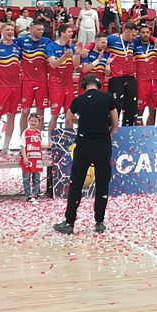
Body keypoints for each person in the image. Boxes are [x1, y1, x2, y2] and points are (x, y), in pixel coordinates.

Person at [54, 74, 118, 235]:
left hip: (84, 144)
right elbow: (116, 123)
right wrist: (107, 134)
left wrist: (80, 122)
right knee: (102, 183)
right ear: (98, 85)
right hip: (102, 144)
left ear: (84, 86)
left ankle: (69, 222)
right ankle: (99, 221)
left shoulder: (78, 100)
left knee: (76, 184)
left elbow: (69, 119)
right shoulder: (108, 98)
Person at [0, 22, 22, 152]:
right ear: (1, 31)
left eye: (12, 30)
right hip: (1, 87)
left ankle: (6, 147)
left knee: (11, 116)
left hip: (16, 87)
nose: (10, 32)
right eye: (7, 29)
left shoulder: (18, 46)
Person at [101, 21, 138, 127]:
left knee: (131, 106)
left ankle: (128, 129)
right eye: (133, 35)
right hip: (116, 78)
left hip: (130, 77)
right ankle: (112, 129)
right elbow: (98, 42)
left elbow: (147, 39)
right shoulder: (112, 39)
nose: (135, 37)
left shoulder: (134, 41)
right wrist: (87, 48)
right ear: (126, 31)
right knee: (116, 105)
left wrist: (154, 39)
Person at [17, 21, 52, 132]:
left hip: (42, 81)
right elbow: (7, 43)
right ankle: (23, 137)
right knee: (25, 111)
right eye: (39, 29)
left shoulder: (47, 41)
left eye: (42, 29)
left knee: (40, 111)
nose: (41, 31)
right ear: (31, 30)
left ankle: (38, 137)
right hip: (27, 81)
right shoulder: (21, 41)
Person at [46, 24, 81, 134]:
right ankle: (51, 140)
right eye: (69, 31)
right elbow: (53, 64)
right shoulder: (51, 46)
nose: (72, 33)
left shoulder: (71, 47)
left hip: (69, 85)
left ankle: (68, 140)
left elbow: (75, 65)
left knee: (69, 115)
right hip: (55, 85)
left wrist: (77, 53)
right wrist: (65, 56)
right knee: (55, 115)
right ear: (62, 33)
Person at [133, 23, 157, 126]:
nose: (145, 34)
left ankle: (150, 132)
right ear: (139, 34)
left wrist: (154, 39)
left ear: (150, 33)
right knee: (139, 110)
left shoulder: (155, 45)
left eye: (147, 32)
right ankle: (138, 132)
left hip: (154, 81)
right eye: (143, 32)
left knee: (153, 111)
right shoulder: (135, 46)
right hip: (141, 82)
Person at [20, 115, 47, 202]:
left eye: (35, 121)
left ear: (38, 122)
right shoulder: (25, 132)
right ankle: (27, 195)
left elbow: (40, 145)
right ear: (28, 121)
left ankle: (35, 194)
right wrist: (25, 157)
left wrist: (50, 146)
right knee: (26, 178)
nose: (33, 122)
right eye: (31, 121)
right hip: (28, 159)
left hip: (37, 159)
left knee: (37, 178)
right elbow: (22, 146)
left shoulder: (39, 132)